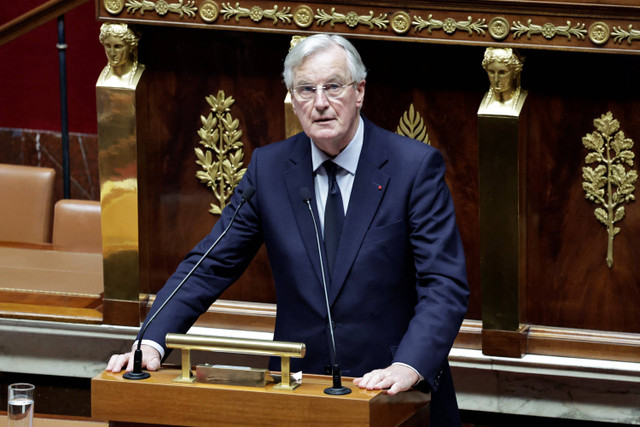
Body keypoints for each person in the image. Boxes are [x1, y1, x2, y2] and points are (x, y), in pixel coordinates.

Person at [107, 34, 469, 426]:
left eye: (333, 86)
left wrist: (409, 365)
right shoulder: (270, 169)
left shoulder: (413, 167)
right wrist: (152, 338)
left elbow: (444, 285)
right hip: (299, 394)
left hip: (397, 396)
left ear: (359, 91)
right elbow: (208, 265)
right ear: (293, 100)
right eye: (306, 90)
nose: (320, 103)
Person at [97, 23, 143, 88]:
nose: (112, 53)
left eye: (118, 46)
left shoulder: (141, 73)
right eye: (108, 46)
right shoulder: (103, 78)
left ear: (131, 47)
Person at [480, 47, 525, 113]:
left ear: (515, 72)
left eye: (502, 72)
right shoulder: (477, 100)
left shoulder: (530, 103)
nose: (496, 79)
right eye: (491, 72)